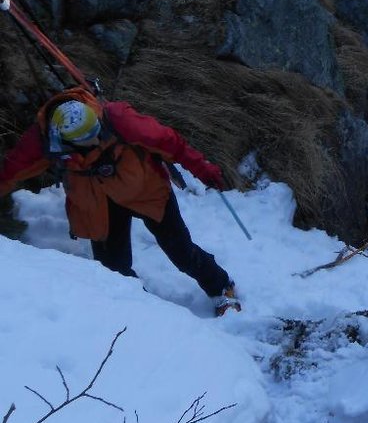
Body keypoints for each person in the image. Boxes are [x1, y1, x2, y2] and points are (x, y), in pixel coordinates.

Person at [0, 86, 241, 315]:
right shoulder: (42, 142)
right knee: (113, 271)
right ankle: (144, 312)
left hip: (147, 192)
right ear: (66, 140)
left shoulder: (117, 118)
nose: (96, 139)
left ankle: (220, 286)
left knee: (182, 253)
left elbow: (169, 142)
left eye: (96, 130)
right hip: (99, 206)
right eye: (87, 138)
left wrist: (203, 168)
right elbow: (11, 171)